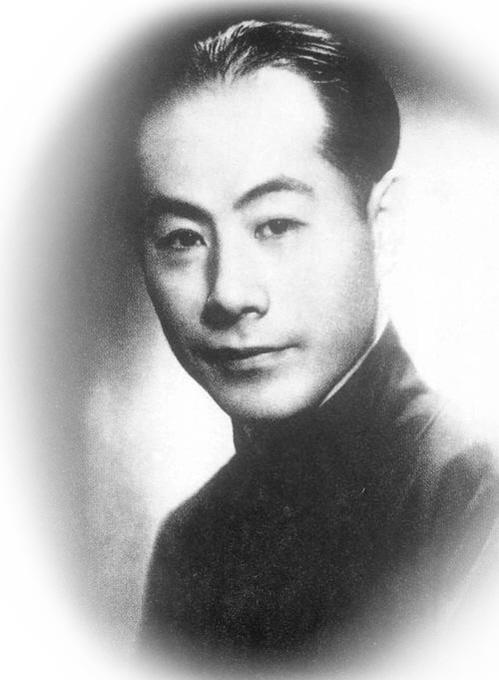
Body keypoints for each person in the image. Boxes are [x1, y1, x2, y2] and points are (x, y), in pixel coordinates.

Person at [134, 16, 499, 675]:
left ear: (383, 225)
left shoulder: (473, 499)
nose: (228, 293)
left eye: (275, 224)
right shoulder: (191, 541)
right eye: (184, 238)